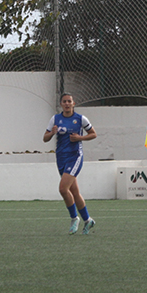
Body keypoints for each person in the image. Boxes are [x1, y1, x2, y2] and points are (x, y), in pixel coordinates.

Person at [43, 93, 97, 234]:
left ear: (73, 103)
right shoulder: (55, 119)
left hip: (75, 157)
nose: (67, 104)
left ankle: (74, 218)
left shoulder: (80, 119)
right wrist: (52, 133)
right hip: (61, 157)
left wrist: (80, 138)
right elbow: (45, 138)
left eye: (69, 101)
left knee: (62, 189)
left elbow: (93, 134)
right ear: (61, 104)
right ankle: (88, 220)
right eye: (64, 101)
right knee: (74, 192)